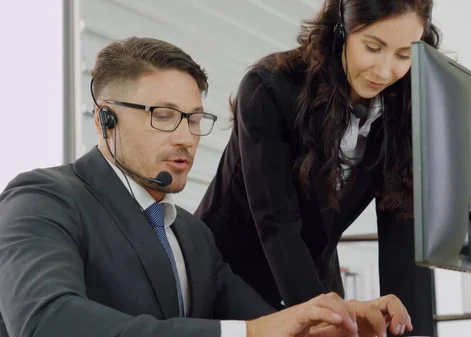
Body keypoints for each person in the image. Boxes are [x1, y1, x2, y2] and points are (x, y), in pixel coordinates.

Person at [0, 37, 413, 337]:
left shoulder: (194, 237)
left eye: (195, 120)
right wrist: (246, 333)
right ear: (105, 119)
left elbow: (269, 323)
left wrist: (335, 322)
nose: (185, 138)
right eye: (163, 115)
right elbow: (46, 322)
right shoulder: (43, 200)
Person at [195, 0, 440, 334]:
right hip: (230, 271)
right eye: (372, 47)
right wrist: (320, 314)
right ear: (342, 30)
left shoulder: (402, 111)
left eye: (403, 54)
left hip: (312, 271)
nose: (385, 71)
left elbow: (404, 236)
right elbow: (276, 221)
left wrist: (411, 330)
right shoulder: (269, 88)